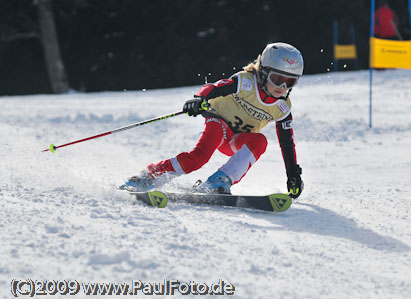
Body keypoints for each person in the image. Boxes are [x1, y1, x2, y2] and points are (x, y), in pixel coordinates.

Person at [119, 42, 304, 198]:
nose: (282, 86)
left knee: (261, 141)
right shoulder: (246, 82)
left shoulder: (283, 108)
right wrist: (200, 99)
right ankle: (148, 177)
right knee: (199, 158)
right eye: (277, 78)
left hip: (236, 140)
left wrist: (292, 173)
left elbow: (287, 143)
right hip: (219, 123)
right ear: (263, 72)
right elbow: (214, 87)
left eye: (289, 82)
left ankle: (218, 182)